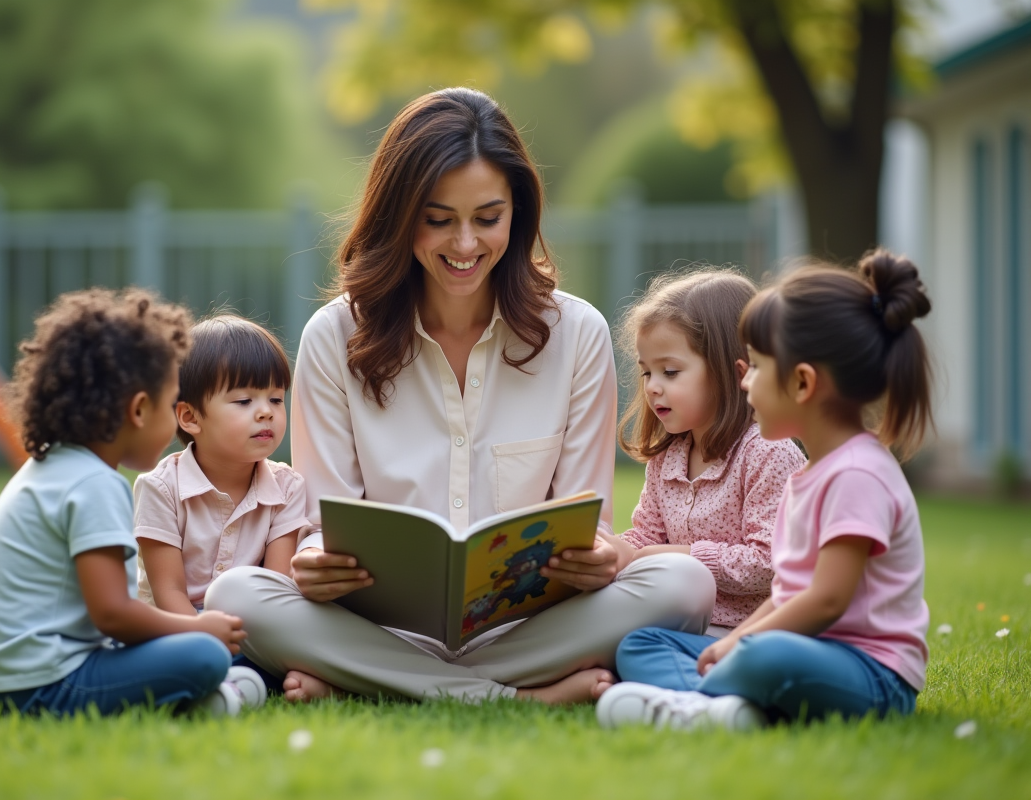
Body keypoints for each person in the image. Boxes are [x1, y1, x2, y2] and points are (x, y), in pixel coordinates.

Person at [204, 87, 715, 705]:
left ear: (517, 214)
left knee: (684, 583)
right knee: (236, 595)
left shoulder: (575, 334)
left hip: (530, 628)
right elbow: (322, 523)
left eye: (488, 218)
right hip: (376, 627)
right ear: (399, 215)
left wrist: (601, 557)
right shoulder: (334, 337)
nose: (466, 245)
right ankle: (513, 697)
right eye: (439, 219)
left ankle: (373, 685)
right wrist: (313, 561)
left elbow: (589, 521)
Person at [596, 249, 933, 730]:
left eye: (755, 367)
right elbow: (789, 592)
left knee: (766, 657)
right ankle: (725, 709)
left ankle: (699, 701)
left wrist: (740, 641)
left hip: (868, 671)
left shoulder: (857, 473)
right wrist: (732, 643)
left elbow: (827, 601)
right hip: (794, 647)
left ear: (801, 383)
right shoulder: (811, 475)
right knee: (640, 644)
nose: (745, 381)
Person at [0, 289, 266, 717]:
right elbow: (114, 615)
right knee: (206, 654)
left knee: (196, 650)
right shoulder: (94, 484)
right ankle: (217, 691)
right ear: (139, 410)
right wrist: (197, 627)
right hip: (47, 686)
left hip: (5, 683)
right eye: (169, 405)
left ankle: (203, 692)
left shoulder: (53, 467)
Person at [607, 269, 805, 669]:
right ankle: (694, 691)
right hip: (682, 626)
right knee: (630, 648)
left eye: (670, 372)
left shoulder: (769, 453)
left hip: (752, 633)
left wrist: (668, 554)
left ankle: (706, 696)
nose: (652, 387)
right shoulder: (669, 459)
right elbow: (646, 536)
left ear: (734, 373)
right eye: (647, 372)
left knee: (633, 651)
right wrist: (611, 551)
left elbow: (768, 563)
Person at [135, 314, 307, 693]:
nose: (266, 411)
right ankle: (237, 681)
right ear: (190, 417)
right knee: (161, 660)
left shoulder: (288, 487)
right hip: (176, 628)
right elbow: (168, 595)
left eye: (276, 399)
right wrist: (207, 636)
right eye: (244, 400)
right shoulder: (160, 488)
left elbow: (278, 592)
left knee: (297, 650)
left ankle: (246, 681)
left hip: (251, 630)